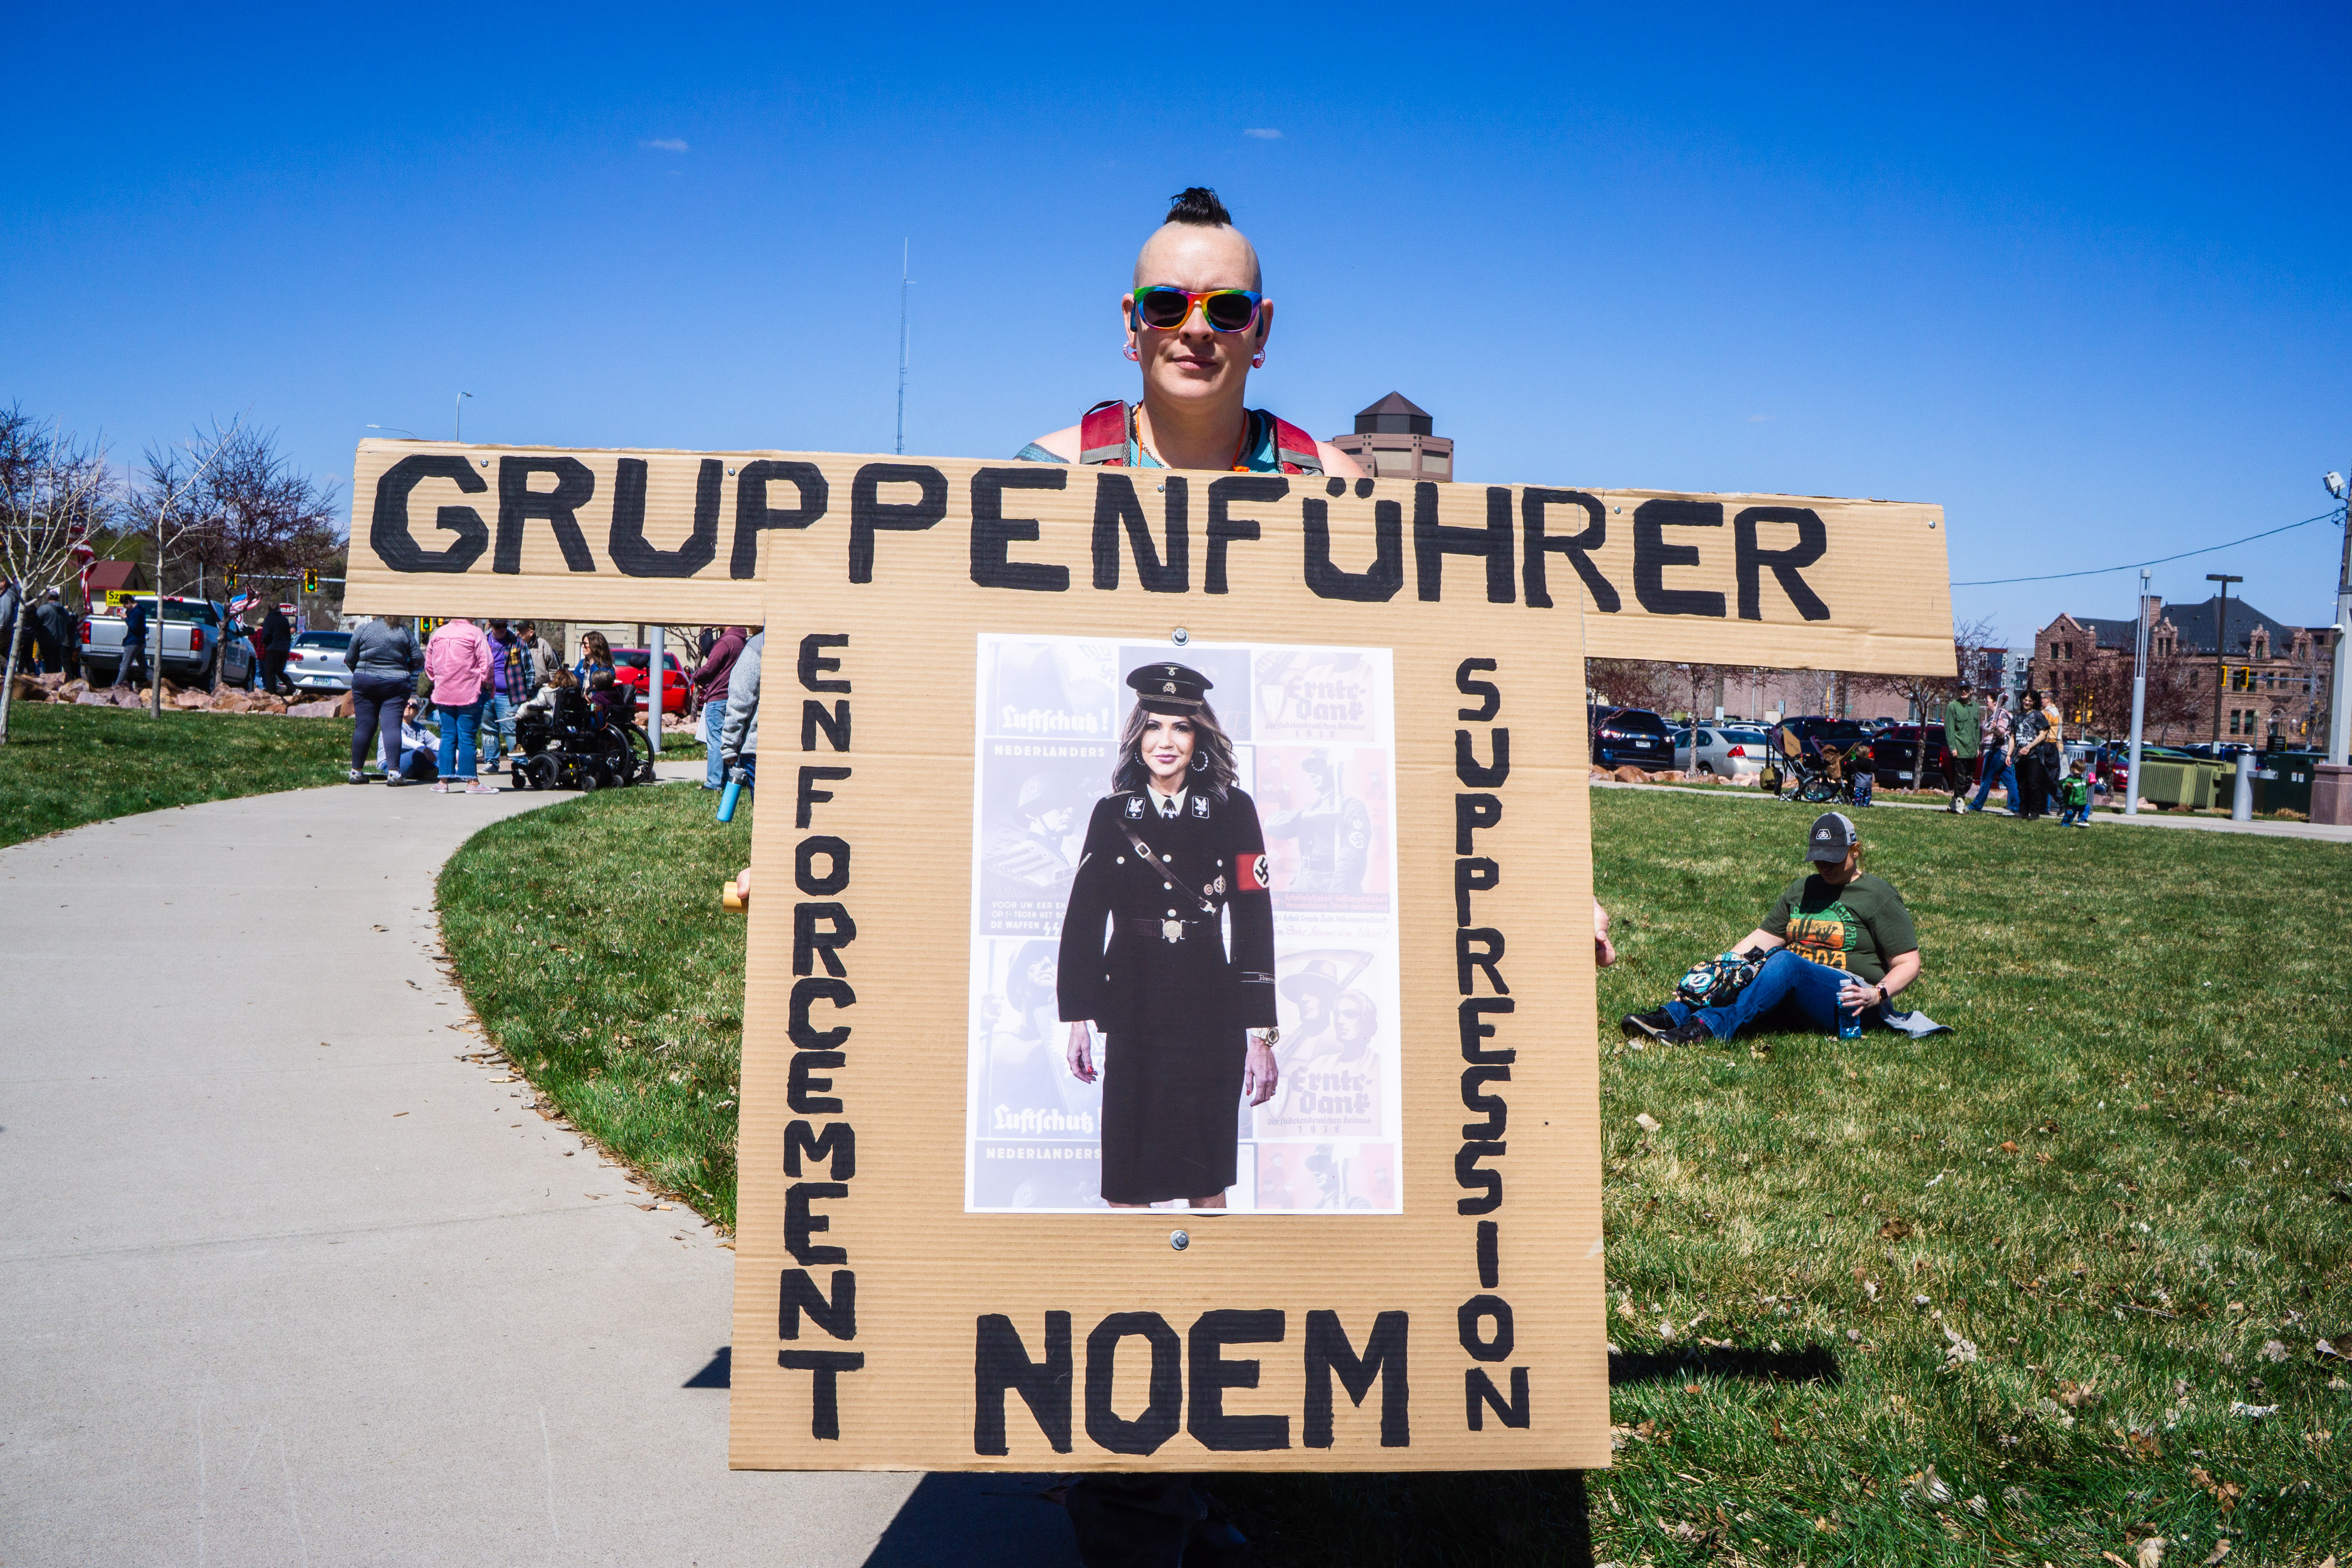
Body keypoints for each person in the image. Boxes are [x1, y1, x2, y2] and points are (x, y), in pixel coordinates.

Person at [1056, 661, 1279, 1210]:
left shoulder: (1233, 810)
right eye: (1154, 726)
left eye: (1181, 727)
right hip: (1132, 1010)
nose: (1166, 741)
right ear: (1138, 736)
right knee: (1127, 1184)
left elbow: (1254, 919)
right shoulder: (1112, 814)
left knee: (1206, 1183)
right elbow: (1084, 919)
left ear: (1198, 737)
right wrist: (1078, 1018)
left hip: (1211, 1015)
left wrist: (1261, 1034)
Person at [1017, 187, 1363, 480]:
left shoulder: (1336, 483)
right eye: (1166, 304)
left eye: (1228, 307)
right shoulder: (1045, 474)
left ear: (1262, 327)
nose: (1196, 330)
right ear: (1132, 321)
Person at [1621, 811, 1921, 1047]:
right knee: (1744, 970)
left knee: (1784, 961)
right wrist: (1715, 974)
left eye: (1833, 858)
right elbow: (1760, 940)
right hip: (1794, 990)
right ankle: (1672, 1016)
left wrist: (1876, 994)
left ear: (1855, 850)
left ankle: (1709, 1027)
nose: (1824, 866)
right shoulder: (1802, 889)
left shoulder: (1878, 895)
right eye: (1818, 859)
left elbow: (1909, 963)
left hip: (1850, 1002)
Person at [345, 614, 424, 783]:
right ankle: (394, 774)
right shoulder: (403, 632)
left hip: (365, 682)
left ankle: (356, 772)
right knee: (391, 727)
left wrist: (361, 673)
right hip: (396, 684)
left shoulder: (364, 629)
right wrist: (405, 670)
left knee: (364, 726)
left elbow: (350, 658)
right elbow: (419, 659)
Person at [424, 615, 495, 796]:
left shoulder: (438, 633)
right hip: (469, 692)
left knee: (447, 736)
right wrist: (487, 682)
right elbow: (487, 664)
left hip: (443, 693)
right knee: (467, 737)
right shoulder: (475, 633)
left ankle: (443, 781)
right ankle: (472, 782)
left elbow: (429, 667)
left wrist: (440, 679)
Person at [690, 624, 749, 790]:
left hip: (718, 699)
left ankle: (715, 782)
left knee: (715, 740)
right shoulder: (742, 642)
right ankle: (730, 780)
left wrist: (696, 676)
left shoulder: (725, 642)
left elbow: (711, 666)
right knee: (730, 740)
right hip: (733, 697)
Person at [481, 620, 532, 775]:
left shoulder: (518, 643)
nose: (502, 629)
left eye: (505, 625)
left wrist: (528, 694)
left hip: (509, 696)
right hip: (486, 695)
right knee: (488, 730)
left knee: (512, 730)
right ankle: (491, 763)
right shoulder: (483, 642)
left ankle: (521, 763)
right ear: (491, 626)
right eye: (498, 626)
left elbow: (530, 670)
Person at [718, 629, 763, 797]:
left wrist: (729, 745)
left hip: (757, 748)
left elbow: (741, 698)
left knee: (764, 809)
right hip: (803, 748)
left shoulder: (759, 644)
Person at [1966, 691, 2018, 815]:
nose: (1986, 702)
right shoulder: (1994, 715)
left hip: (1997, 751)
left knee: (1986, 779)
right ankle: (2018, 807)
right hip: (1998, 752)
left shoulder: (2002, 714)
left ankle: (1976, 806)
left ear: (1995, 702)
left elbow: (2002, 731)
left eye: (1988, 700)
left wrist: (1996, 728)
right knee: (2009, 780)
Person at [2013, 688, 2054, 822]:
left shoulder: (2038, 716)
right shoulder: (2017, 717)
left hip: (2034, 756)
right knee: (2021, 785)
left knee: (2033, 784)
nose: (2027, 702)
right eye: (2025, 700)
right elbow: (2013, 737)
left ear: (2034, 702)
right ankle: (2023, 812)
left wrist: (2029, 747)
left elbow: (2043, 735)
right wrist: (2008, 755)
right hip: (2019, 756)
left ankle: (2035, 812)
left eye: (2030, 701)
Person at [1943, 684, 1982, 812]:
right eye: (1961, 689)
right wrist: (1953, 747)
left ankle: (1953, 805)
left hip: (1972, 750)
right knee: (1959, 780)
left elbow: (1977, 728)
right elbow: (1949, 728)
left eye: (1966, 689)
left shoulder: (1975, 706)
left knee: (1969, 781)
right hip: (1959, 750)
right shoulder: (1953, 706)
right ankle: (1960, 807)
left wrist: (1978, 746)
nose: (1964, 691)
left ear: (1971, 691)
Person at [384, 699, 440, 785]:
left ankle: (449, 771)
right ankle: (436, 772)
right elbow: (402, 740)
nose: (408, 706)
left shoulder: (420, 728)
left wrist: (456, 754)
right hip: (391, 765)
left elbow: (436, 743)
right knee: (417, 753)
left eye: (412, 706)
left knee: (441, 754)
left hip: (413, 763)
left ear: (417, 712)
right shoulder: (394, 723)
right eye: (405, 704)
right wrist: (424, 749)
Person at [257, 602, 294, 696]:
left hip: (273, 649)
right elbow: (288, 636)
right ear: (279, 609)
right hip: (284, 649)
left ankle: (273, 694)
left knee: (270, 672)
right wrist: (287, 648)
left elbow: (266, 634)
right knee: (279, 671)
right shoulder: (284, 619)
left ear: (269, 609)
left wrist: (265, 643)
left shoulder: (268, 619)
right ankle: (292, 687)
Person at [33, 588, 72, 677]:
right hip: (60, 641)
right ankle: (57, 683)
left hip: (46, 641)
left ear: (48, 597)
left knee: (48, 665)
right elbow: (68, 623)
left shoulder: (44, 609)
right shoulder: (64, 611)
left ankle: (49, 683)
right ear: (58, 599)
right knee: (57, 665)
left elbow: (36, 622)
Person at [116, 595, 149, 689]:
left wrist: (126, 618)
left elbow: (133, 627)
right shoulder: (138, 610)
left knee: (124, 665)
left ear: (129, 602)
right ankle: (157, 684)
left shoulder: (136, 612)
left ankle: (117, 687)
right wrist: (126, 616)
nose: (125, 608)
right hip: (140, 642)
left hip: (133, 643)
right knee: (144, 667)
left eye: (125, 605)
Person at [2057, 757, 2093, 827]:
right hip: (2072, 803)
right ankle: (2065, 824)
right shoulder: (2070, 779)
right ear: (2072, 768)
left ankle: (2082, 820)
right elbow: (2064, 785)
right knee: (2070, 814)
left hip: (2081, 802)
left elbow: (2084, 786)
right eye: (2078, 770)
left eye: (2081, 771)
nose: (2080, 772)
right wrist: (2068, 786)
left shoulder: (2081, 779)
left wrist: (2089, 783)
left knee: (2086, 808)